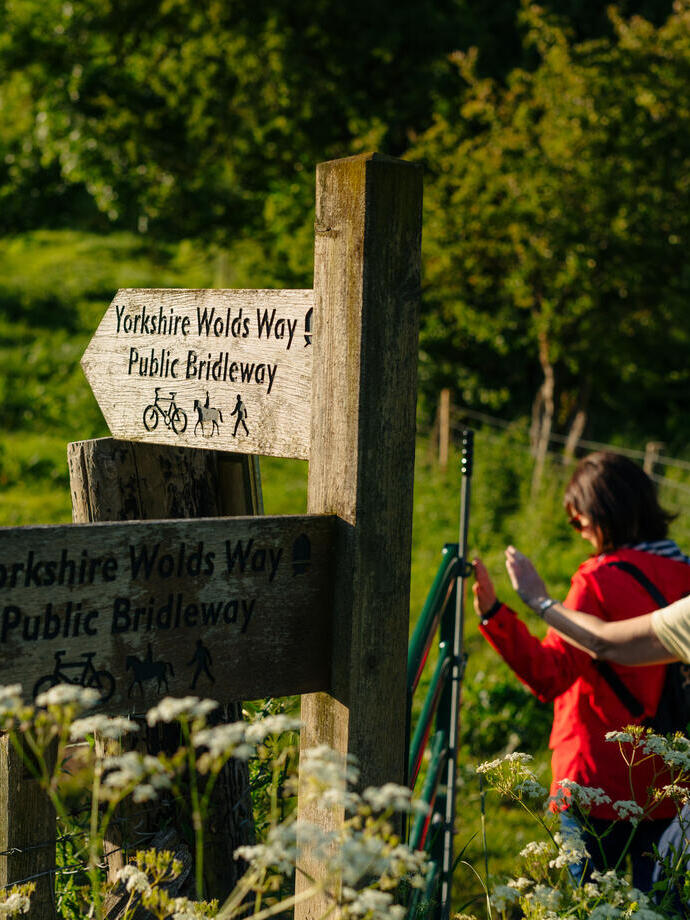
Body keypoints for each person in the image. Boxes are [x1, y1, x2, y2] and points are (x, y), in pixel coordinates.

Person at [472, 451, 690, 890]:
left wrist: (495, 613)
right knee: (660, 904)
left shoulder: (596, 580)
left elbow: (549, 674)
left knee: (589, 903)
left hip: (597, 780)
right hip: (671, 780)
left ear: (603, 514)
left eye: (580, 521)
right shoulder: (685, 573)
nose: (580, 533)